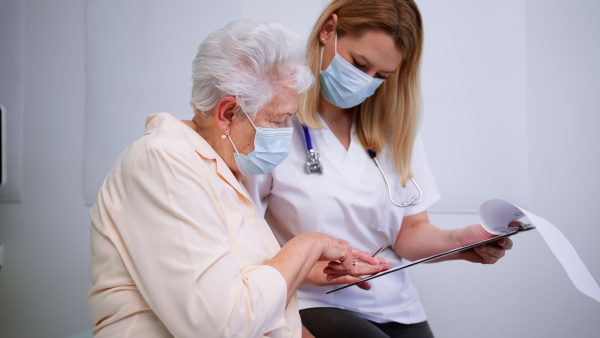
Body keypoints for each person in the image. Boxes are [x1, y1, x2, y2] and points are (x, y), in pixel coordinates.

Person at [87, 19, 380, 338]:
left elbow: (247, 291)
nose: (285, 133)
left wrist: (302, 270)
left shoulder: (219, 170)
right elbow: (221, 326)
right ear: (227, 114)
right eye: (278, 120)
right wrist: (310, 245)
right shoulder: (161, 161)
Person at [242, 1, 517, 337]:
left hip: (397, 306)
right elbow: (242, 238)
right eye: (360, 64)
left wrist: (460, 241)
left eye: (381, 76)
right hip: (311, 302)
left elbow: (409, 233)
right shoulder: (274, 121)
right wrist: (307, 270)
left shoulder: (392, 130)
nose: (365, 82)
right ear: (328, 30)